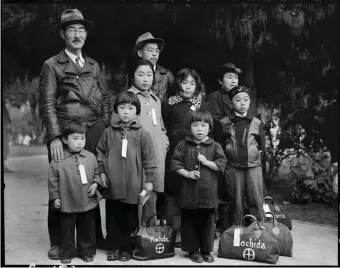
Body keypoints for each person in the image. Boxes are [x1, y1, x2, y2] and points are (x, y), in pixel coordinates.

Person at [39, 9, 110, 259]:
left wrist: (104, 123)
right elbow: (47, 103)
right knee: (61, 185)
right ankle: (59, 242)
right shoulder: (51, 65)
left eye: (81, 30)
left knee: (91, 184)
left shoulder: (94, 65)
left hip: (93, 131)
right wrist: (55, 137)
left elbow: (105, 97)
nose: (77, 34)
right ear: (63, 34)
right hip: (66, 133)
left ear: (86, 34)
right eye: (71, 29)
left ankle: (93, 239)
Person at [96, 91, 157, 262]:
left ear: (136, 111)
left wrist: (150, 181)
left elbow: (149, 159)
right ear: (116, 110)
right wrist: (101, 173)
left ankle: (127, 248)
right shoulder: (108, 132)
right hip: (112, 183)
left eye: (130, 108)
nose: (126, 111)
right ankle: (114, 247)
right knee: (112, 216)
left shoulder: (142, 134)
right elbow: (100, 154)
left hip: (133, 183)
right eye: (122, 107)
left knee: (130, 217)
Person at [171, 108, 227, 263]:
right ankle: (193, 250)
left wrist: (206, 162)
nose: (199, 129)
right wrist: (187, 174)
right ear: (190, 127)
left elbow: (221, 166)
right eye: (195, 125)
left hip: (208, 195)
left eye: (203, 125)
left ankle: (206, 250)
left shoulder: (215, 146)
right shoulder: (183, 145)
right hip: (188, 194)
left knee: (207, 223)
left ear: (210, 127)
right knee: (189, 222)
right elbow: (176, 165)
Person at [206, 63, 257, 233]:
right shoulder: (214, 97)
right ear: (220, 80)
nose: (233, 80)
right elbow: (214, 121)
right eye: (229, 77)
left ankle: (250, 225)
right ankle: (224, 225)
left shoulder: (244, 95)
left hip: (242, 150)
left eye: (235, 77)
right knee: (224, 188)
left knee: (247, 190)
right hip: (222, 146)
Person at [162, 68, 208, 247]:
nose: (188, 87)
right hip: (174, 150)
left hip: (194, 151)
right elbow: (165, 125)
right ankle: (169, 231)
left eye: (192, 83)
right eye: (184, 82)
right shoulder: (169, 103)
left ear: (196, 86)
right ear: (178, 84)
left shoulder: (199, 104)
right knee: (172, 190)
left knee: (189, 189)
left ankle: (187, 233)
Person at [48, 120, 102, 264]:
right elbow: (53, 181)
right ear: (65, 140)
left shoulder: (90, 157)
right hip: (68, 201)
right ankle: (67, 252)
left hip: (87, 200)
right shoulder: (58, 160)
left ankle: (87, 252)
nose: (80, 142)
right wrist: (55, 198)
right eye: (75, 138)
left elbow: (96, 173)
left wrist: (96, 184)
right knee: (67, 229)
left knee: (87, 228)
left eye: (82, 138)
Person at [126, 59, 169, 225]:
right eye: (141, 74)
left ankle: (149, 233)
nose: (145, 79)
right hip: (137, 154)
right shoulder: (129, 98)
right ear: (133, 77)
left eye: (149, 75)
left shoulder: (156, 100)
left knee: (154, 190)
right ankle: (134, 234)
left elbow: (161, 126)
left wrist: (164, 144)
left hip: (157, 153)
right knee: (138, 191)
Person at [223, 86, 265, 225]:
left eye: (246, 100)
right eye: (238, 100)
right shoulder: (225, 122)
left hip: (254, 167)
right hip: (233, 168)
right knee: (236, 202)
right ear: (231, 102)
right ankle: (235, 233)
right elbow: (220, 145)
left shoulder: (256, 122)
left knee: (256, 199)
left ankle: (258, 232)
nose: (242, 103)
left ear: (250, 101)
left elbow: (262, 146)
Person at [132, 32, 174, 100]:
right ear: (140, 53)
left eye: (157, 51)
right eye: (150, 50)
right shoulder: (131, 75)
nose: (155, 54)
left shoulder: (166, 75)